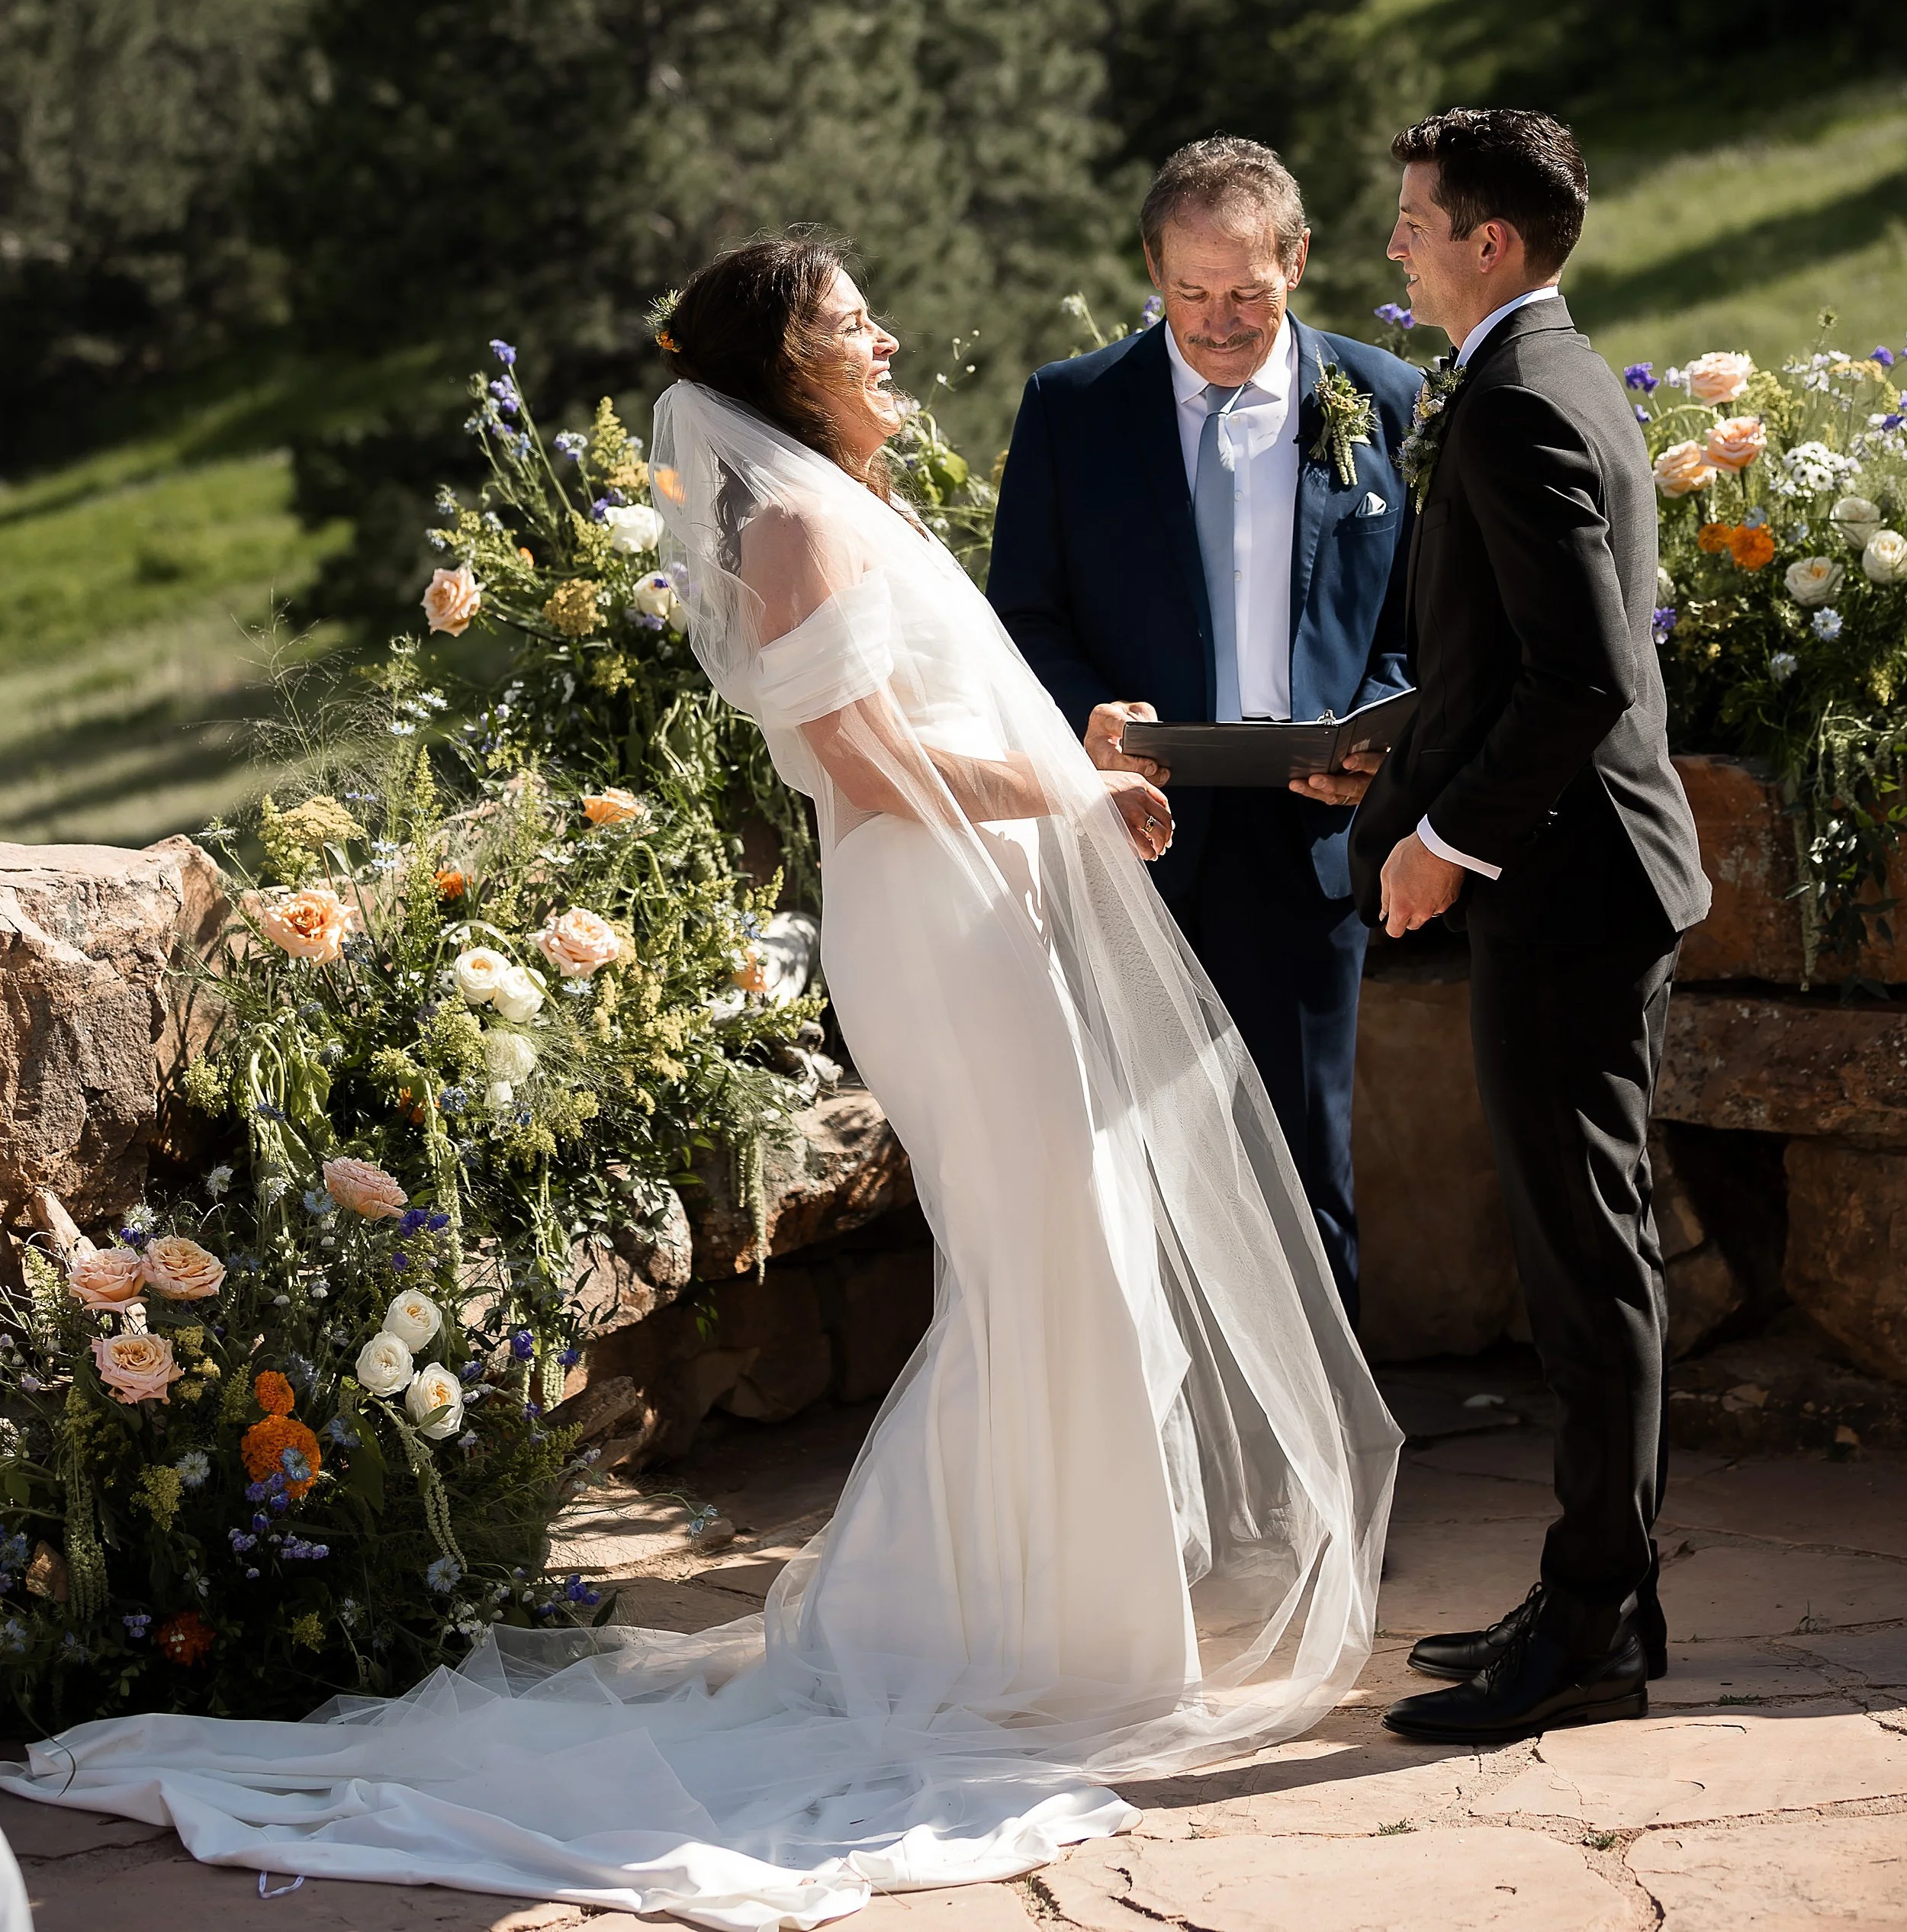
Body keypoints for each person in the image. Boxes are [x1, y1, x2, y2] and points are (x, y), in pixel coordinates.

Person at [5, 236, 1398, 1929]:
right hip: (938, 922)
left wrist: (1075, 752)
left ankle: (1036, 1632)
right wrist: (1064, 799)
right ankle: (985, 1645)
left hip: (977, 895)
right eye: (847, 320)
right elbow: (862, 767)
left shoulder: (834, 499)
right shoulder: (801, 521)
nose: (881, 334)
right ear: (786, 365)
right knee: (1055, 1268)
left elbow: (932, 715)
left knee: (1061, 1263)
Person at [1343, 108, 1709, 1743]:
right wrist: (1395, 756)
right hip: (1575, 876)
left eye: (1414, 221)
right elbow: (1513, 656)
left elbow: (1582, 679)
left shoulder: (1507, 405)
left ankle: (1591, 1630)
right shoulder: (1540, 375)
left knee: (1584, 1269)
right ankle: (1590, 1591)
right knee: (1588, 1253)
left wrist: (1438, 843)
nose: (1397, 246)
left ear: (1489, 242)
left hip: (1562, 889)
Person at [986, 137, 1417, 1316]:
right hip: (1133, 836)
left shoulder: (1384, 398)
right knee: (1137, 1164)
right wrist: (1091, 714)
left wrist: (1378, 729)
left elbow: (1421, 614)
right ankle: (1169, 1470)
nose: (1219, 322)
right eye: (1190, 293)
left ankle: (1321, 1480)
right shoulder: (1072, 409)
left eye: (1247, 292)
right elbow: (1021, 611)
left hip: (1312, 838)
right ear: (1150, 269)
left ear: (1298, 262)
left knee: (1302, 1168)